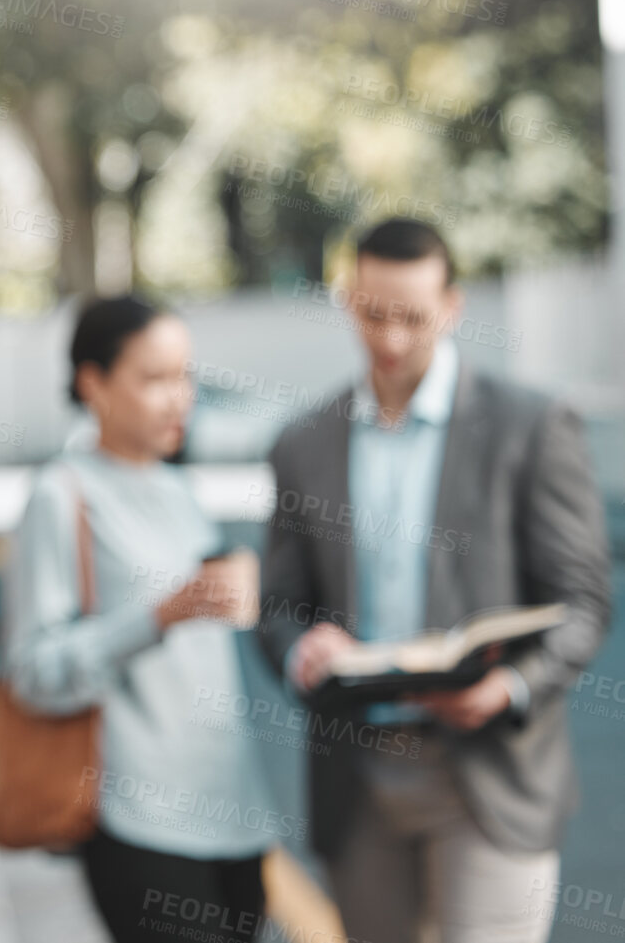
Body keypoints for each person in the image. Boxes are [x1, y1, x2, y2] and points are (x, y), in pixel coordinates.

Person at [259, 218, 611, 943]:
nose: (390, 339)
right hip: (356, 784)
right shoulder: (303, 442)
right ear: (348, 298)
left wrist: (510, 687)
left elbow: (583, 601)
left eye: (413, 318)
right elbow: (278, 603)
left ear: (451, 308)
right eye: (373, 313)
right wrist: (302, 651)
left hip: (488, 777)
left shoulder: (531, 425)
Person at [3, 295, 280, 943]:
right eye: (155, 378)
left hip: (236, 811)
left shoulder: (179, 489)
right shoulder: (61, 494)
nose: (178, 397)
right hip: (140, 817)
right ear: (91, 383)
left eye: (184, 375)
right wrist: (158, 615)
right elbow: (33, 671)